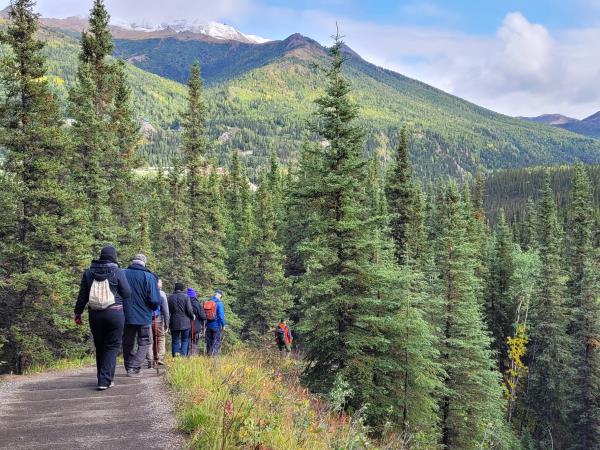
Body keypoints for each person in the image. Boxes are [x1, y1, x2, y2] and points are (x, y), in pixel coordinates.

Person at [74, 246, 131, 390]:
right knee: (111, 346)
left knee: (100, 346)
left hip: (95, 314)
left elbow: (83, 296)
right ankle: (105, 381)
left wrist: (77, 313)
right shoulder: (117, 271)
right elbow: (126, 293)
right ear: (114, 257)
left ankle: (102, 378)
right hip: (115, 313)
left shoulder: (89, 272)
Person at [122, 254, 161, 377]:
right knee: (145, 341)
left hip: (125, 314)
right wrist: (152, 307)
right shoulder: (148, 276)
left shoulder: (122, 273)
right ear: (144, 263)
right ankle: (134, 367)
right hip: (143, 316)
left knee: (127, 341)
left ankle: (129, 365)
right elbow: (155, 300)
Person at [146, 279, 170, 368]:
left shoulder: (146, 292)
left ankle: (150, 360)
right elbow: (166, 311)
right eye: (160, 281)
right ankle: (160, 357)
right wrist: (167, 324)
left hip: (147, 319)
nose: (162, 283)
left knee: (149, 340)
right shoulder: (161, 294)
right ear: (157, 283)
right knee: (161, 337)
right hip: (158, 319)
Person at [168, 283, 194, 356]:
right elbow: (189, 309)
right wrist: (192, 316)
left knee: (175, 340)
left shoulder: (170, 297)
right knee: (185, 340)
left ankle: (175, 356)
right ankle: (182, 356)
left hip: (174, 321)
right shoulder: (186, 297)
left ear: (175, 289)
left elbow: (168, 310)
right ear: (182, 289)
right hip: (185, 322)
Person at [205, 289, 226, 356]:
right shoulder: (219, 304)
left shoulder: (209, 302)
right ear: (220, 295)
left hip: (208, 325)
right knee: (216, 342)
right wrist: (223, 325)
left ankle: (208, 356)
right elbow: (221, 316)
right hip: (216, 326)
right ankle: (213, 358)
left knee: (209, 342)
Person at [187, 288, 207, 356]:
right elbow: (203, 316)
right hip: (196, 326)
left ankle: (185, 355)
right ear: (194, 295)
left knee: (185, 341)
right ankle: (193, 355)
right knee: (195, 342)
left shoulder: (185, 302)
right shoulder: (197, 304)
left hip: (186, 326)